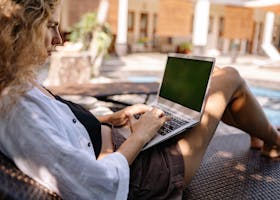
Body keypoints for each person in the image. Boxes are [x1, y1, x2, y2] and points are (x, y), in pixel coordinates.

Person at [0, 0, 279, 199]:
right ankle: (273, 140)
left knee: (214, 79)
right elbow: (96, 186)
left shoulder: (17, 87)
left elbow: (59, 129)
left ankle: (261, 136)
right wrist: (142, 135)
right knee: (228, 77)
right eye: (51, 27)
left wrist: (109, 119)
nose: (59, 38)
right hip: (146, 173)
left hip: (124, 143)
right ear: (22, 30)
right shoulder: (16, 109)